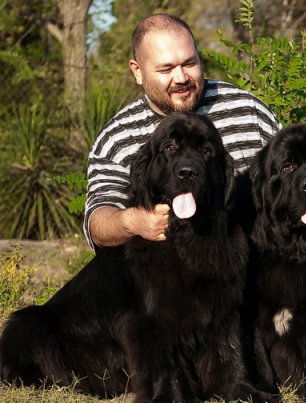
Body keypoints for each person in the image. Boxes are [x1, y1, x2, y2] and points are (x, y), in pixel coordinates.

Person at [84, 13, 280, 250]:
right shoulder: (117, 138)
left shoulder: (249, 111)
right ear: (137, 71)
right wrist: (133, 221)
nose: (181, 78)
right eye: (166, 69)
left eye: (189, 63)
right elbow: (98, 222)